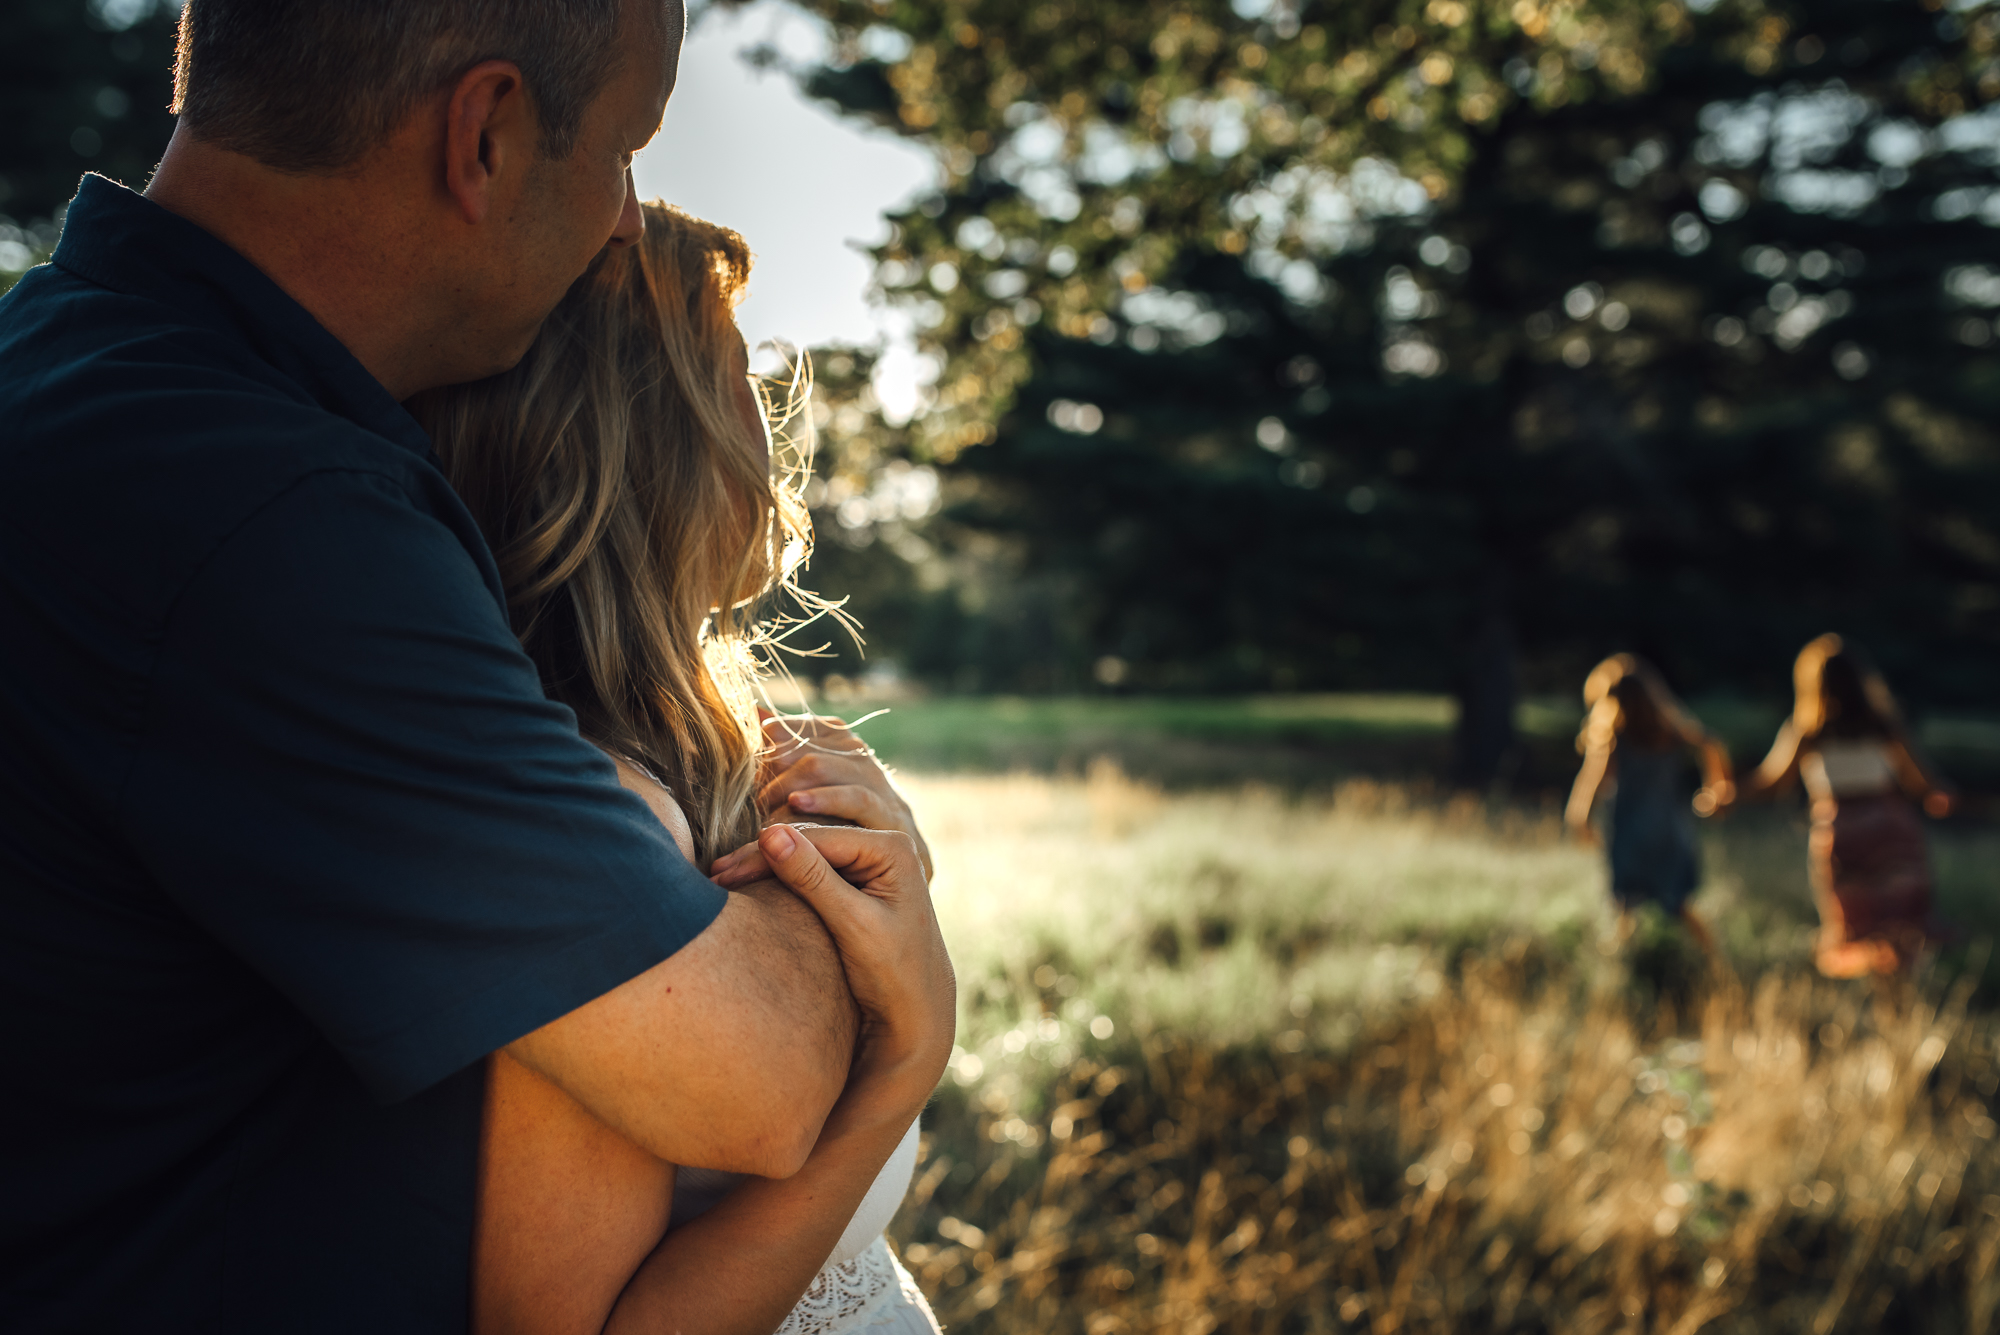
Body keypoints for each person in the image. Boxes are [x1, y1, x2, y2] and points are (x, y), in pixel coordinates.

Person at [0, 2, 952, 1330]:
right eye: (624, 150)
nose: (626, 218)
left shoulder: (62, 374)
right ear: (486, 132)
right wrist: (903, 1020)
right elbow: (756, 1076)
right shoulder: (265, 514)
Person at [412, 202, 945, 1333]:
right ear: (641, 435)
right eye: (739, 373)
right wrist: (908, 1054)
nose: (772, 421)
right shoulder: (598, 827)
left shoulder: (713, 766)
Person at [1728, 634, 1954, 977]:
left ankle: (1888, 1013)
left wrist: (1729, 794)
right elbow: (1922, 784)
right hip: (1890, 830)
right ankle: (1898, 1012)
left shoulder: (1810, 731)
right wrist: (1943, 798)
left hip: (1843, 833)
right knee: (1898, 929)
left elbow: (1770, 782)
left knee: (1861, 929)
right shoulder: (1884, 726)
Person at [1565, 654, 1735, 950]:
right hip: (1668, 833)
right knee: (1679, 906)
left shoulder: (1614, 739)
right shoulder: (1670, 732)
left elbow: (1590, 782)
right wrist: (1716, 787)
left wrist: (1579, 819)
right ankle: (1714, 960)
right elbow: (1711, 743)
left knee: (1624, 908)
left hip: (1628, 835)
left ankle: (1620, 966)